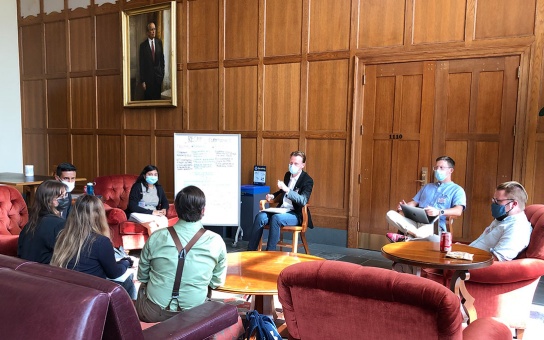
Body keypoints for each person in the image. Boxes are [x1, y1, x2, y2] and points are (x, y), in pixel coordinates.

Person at [136, 185, 227, 323]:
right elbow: (216, 282)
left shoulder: (156, 237)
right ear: (203, 210)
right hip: (195, 316)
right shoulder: (216, 241)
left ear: (176, 209)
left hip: (153, 313)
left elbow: (142, 276)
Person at [50, 195, 136, 299]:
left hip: (67, 290)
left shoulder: (63, 236)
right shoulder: (101, 241)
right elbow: (114, 273)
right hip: (92, 294)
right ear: (100, 216)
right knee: (129, 281)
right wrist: (126, 262)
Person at [385, 156, 466, 242]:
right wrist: (405, 207)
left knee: (426, 233)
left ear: (451, 170)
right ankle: (412, 237)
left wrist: (439, 212)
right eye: (436, 167)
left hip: (433, 225)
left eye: (441, 167)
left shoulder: (457, 190)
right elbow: (414, 202)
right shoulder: (427, 186)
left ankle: (408, 237)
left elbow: (458, 211)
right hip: (415, 222)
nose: (438, 170)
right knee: (390, 214)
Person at [247, 151, 314, 251]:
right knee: (260, 217)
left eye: (296, 164)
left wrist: (287, 189)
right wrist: (272, 196)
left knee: (276, 219)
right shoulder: (288, 175)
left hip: (295, 213)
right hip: (282, 210)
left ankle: (270, 253)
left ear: (302, 165)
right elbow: (281, 192)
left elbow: (303, 200)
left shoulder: (307, 180)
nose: (292, 166)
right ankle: (250, 251)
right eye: (291, 163)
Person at [469, 181, 532, 261]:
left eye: (498, 201)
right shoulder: (503, 219)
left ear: (514, 204)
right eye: (494, 200)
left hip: (475, 266)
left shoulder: (518, 228)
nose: (493, 204)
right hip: (471, 258)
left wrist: (464, 257)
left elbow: (496, 259)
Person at [18, 180, 68, 264]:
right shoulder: (59, 224)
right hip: (47, 272)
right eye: (61, 197)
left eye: (65, 195)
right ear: (48, 200)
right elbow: (66, 255)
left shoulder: (30, 224)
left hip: (26, 270)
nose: (65, 199)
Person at [126, 165, 170, 235]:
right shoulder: (137, 186)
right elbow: (132, 206)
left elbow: (165, 202)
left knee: (164, 222)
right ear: (144, 176)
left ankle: (162, 245)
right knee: (152, 225)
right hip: (138, 213)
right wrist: (151, 212)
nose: (153, 176)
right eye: (150, 174)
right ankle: (154, 246)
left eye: (155, 174)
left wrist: (164, 208)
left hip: (154, 214)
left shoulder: (159, 188)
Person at [139, 22, 165, 100]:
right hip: (148, 80)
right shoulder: (143, 46)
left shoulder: (159, 43)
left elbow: (162, 60)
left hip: (158, 79)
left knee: (158, 101)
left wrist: (162, 74)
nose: (154, 31)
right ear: (147, 32)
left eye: (154, 29)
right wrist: (143, 81)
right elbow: (141, 64)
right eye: (151, 30)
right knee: (149, 101)